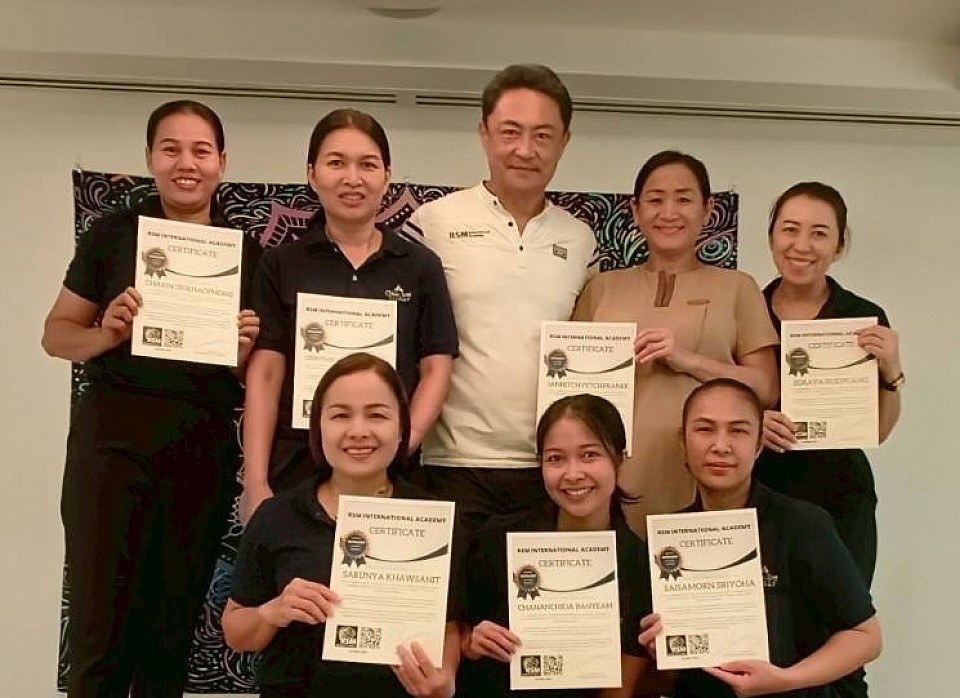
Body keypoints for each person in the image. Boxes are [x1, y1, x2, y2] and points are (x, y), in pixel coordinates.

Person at [41, 99, 262, 698]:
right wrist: (106, 334)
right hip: (111, 449)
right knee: (98, 633)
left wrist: (242, 350)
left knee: (169, 635)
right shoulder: (114, 234)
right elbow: (56, 335)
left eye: (201, 150)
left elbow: (256, 379)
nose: (186, 163)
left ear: (221, 162)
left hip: (198, 454)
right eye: (171, 149)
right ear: (150, 159)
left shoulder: (246, 254)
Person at [402, 64, 597, 529]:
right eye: (511, 132)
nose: (525, 150)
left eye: (543, 135)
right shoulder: (432, 224)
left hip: (551, 470)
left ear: (565, 142)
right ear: (484, 134)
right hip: (449, 464)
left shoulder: (581, 241)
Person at [242, 108, 458, 520]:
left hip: (391, 472)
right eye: (336, 162)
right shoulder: (280, 264)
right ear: (311, 174)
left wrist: (400, 443)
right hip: (297, 465)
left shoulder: (420, 266)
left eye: (368, 164)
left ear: (387, 176)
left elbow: (436, 367)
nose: (352, 178)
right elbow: (266, 373)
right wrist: (255, 481)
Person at [223, 353, 462, 698]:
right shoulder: (277, 515)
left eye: (377, 415)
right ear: (318, 426)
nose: (358, 431)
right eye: (340, 415)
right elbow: (235, 630)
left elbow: (450, 623)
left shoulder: (436, 519)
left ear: (401, 427)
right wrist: (272, 612)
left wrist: (445, 676)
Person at [572, 150, 778, 529]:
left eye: (684, 199)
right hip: (611, 472)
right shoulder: (601, 288)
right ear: (636, 211)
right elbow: (569, 389)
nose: (669, 212)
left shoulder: (738, 287)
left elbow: (765, 388)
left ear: (708, 209)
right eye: (655, 200)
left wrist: (690, 360)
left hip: (705, 471)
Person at [638, 378, 882, 697]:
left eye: (738, 431)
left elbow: (867, 636)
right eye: (705, 429)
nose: (720, 446)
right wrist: (664, 650)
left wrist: (785, 679)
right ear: (682, 442)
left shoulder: (802, 524)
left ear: (757, 446)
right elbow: (669, 677)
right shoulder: (667, 540)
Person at [755, 182, 903, 587]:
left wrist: (892, 371)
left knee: (842, 616)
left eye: (819, 233)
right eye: (790, 229)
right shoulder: (746, 310)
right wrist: (751, 423)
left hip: (840, 496)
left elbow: (878, 431)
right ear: (771, 237)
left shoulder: (862, 316)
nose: (801, 245)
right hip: (761, 491)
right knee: (769, 619)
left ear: (838, 246)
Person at [460, 394, 653, 698]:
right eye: (555, 459)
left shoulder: (637, 561)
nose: (573, 474)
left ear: (619, 459)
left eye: (589, 455)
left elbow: (619, 690)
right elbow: (457, 639)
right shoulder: (495, 541)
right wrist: (470, 643)